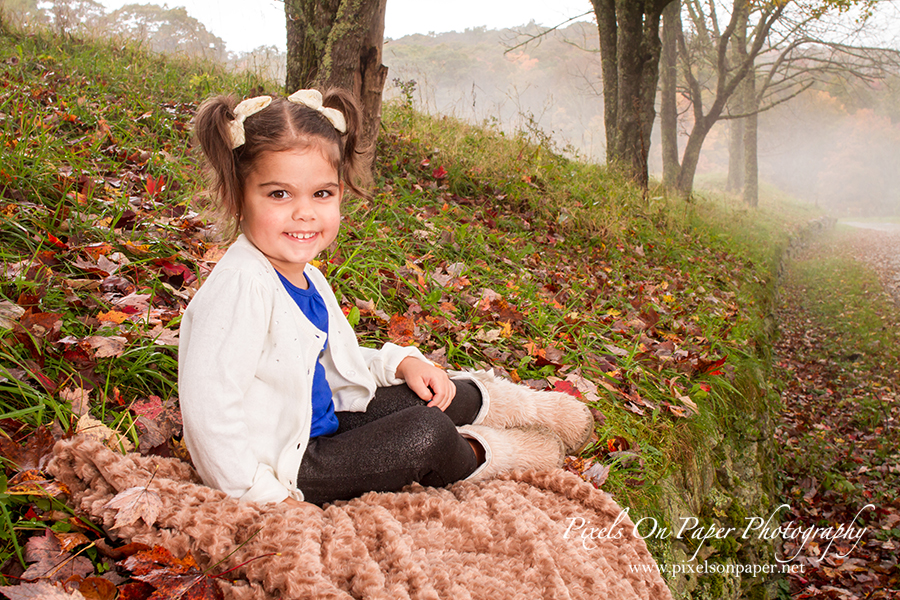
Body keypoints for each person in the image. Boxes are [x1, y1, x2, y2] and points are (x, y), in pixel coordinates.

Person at [178, 88, 594, 507]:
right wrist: (261, 495)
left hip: (323, 423)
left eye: (321, 194)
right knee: (426, 435)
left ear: (340, 192)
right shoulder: (242, 285)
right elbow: (210, 407)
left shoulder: (304, 277)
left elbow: (323, 361)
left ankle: (534, 414)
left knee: (435, 391)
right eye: (279, 194)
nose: (304, 212)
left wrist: (399, 361)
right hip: (293, 463)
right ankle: (493, 453)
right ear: (238, 197)